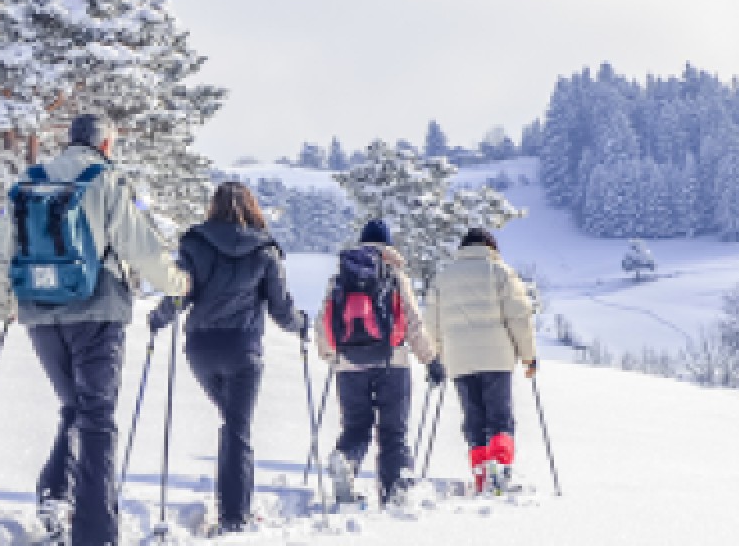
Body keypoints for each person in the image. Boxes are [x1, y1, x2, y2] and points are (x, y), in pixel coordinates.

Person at [0, 114, 190, 546]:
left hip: (39, 314)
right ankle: (95, 534)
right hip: (97, 311)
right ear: (106, 144)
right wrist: (177, 284)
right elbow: (140, 247)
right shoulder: (106, 180)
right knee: (96, 418)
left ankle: (56, 497)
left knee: (74, 406)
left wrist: (4, 306)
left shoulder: (31, 181)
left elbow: (0, 250)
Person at [148, 181, 307, 535]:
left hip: (201, 349)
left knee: (233, 423)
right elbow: (281, 309)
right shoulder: (265, 250)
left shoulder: (195, 244)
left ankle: (234, 504)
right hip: (242, 350)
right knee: (238, 428)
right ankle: (234, 516)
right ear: (252, 207)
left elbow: (180, 293)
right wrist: (301, 325)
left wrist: (159, 318)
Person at [315, 219, 445, 507]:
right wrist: (431, 360)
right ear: (388, 244)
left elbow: (324, 321)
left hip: (349, 365)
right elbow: (413, 322)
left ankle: (346, 460)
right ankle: (396, 489)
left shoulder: (341, 276)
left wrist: (331, 355)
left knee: (355, 427)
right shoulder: (394, 273)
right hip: (392, 363)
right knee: (393, 432)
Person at [426, 227, 536, 494]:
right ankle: (500, 468)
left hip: (459, 360)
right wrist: (529, 356)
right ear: (491, 247)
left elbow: (432, 323)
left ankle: (481, 475)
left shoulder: (443, 277)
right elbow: (519, 317)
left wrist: (437, 355)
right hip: (496, 357)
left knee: (473, 419)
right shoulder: (500, 272)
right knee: (500, 419)